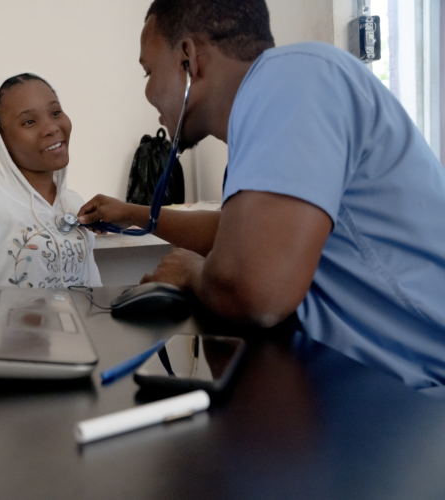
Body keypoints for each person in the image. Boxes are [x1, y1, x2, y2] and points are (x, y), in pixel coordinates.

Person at [78, 0, 445, 393]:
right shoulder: (278, 97)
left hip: (424, 404)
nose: (148, 92)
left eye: (148, 71)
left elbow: (254, 292)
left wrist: (188, 273)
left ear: (189, 58)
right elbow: (239, 234)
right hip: (371, 387)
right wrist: (132, 213)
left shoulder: (290, 79)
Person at [0, 72, 102, 289]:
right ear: (2, 138)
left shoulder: (73, 204)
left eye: (55, 112)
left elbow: (94, 293)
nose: (51, 128)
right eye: (29, 121)